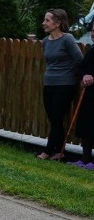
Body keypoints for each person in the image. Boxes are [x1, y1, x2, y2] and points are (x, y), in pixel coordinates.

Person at [37, 8, 84, 160]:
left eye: (47, 20)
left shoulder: (67, 39)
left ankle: (47, 151)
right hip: (49, 83)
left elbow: (79, 60)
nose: (43, 23)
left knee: (57, 118)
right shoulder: (45, 41)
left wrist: (74, 76)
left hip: (65, 85)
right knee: (54, 120)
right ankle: (60, 152)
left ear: (57, 23)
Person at [69, 24, 93, 169]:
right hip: (89, 94)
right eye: (93, 31)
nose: (93, 34)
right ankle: (85, 159)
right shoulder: (91, 50)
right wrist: (84, 76)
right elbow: (80, 67)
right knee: (86, 126)